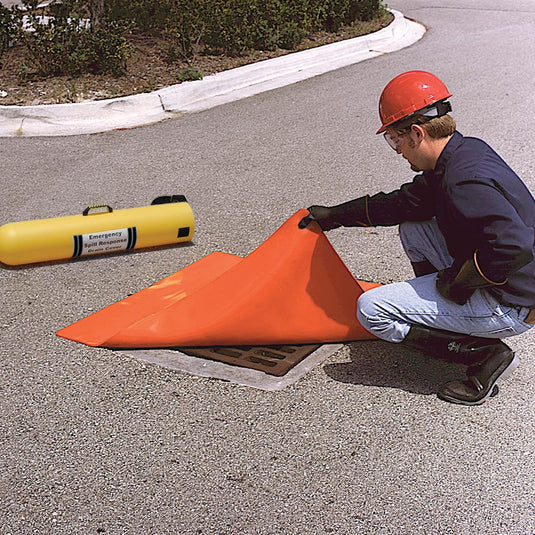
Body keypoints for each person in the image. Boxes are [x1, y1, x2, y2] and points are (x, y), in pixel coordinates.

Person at [299, 70, 535, 406]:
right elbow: (403, 203)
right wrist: (334, 216)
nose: (397, 150)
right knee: (414, 226)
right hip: (517, 283)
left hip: (513, 303)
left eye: (396, 139)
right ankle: (447, 321)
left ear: (417, 132)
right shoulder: (462, 153)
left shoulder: (461, 182)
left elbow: (514, 246)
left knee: (371, 310)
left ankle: (483, 352)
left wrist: (460, 282)